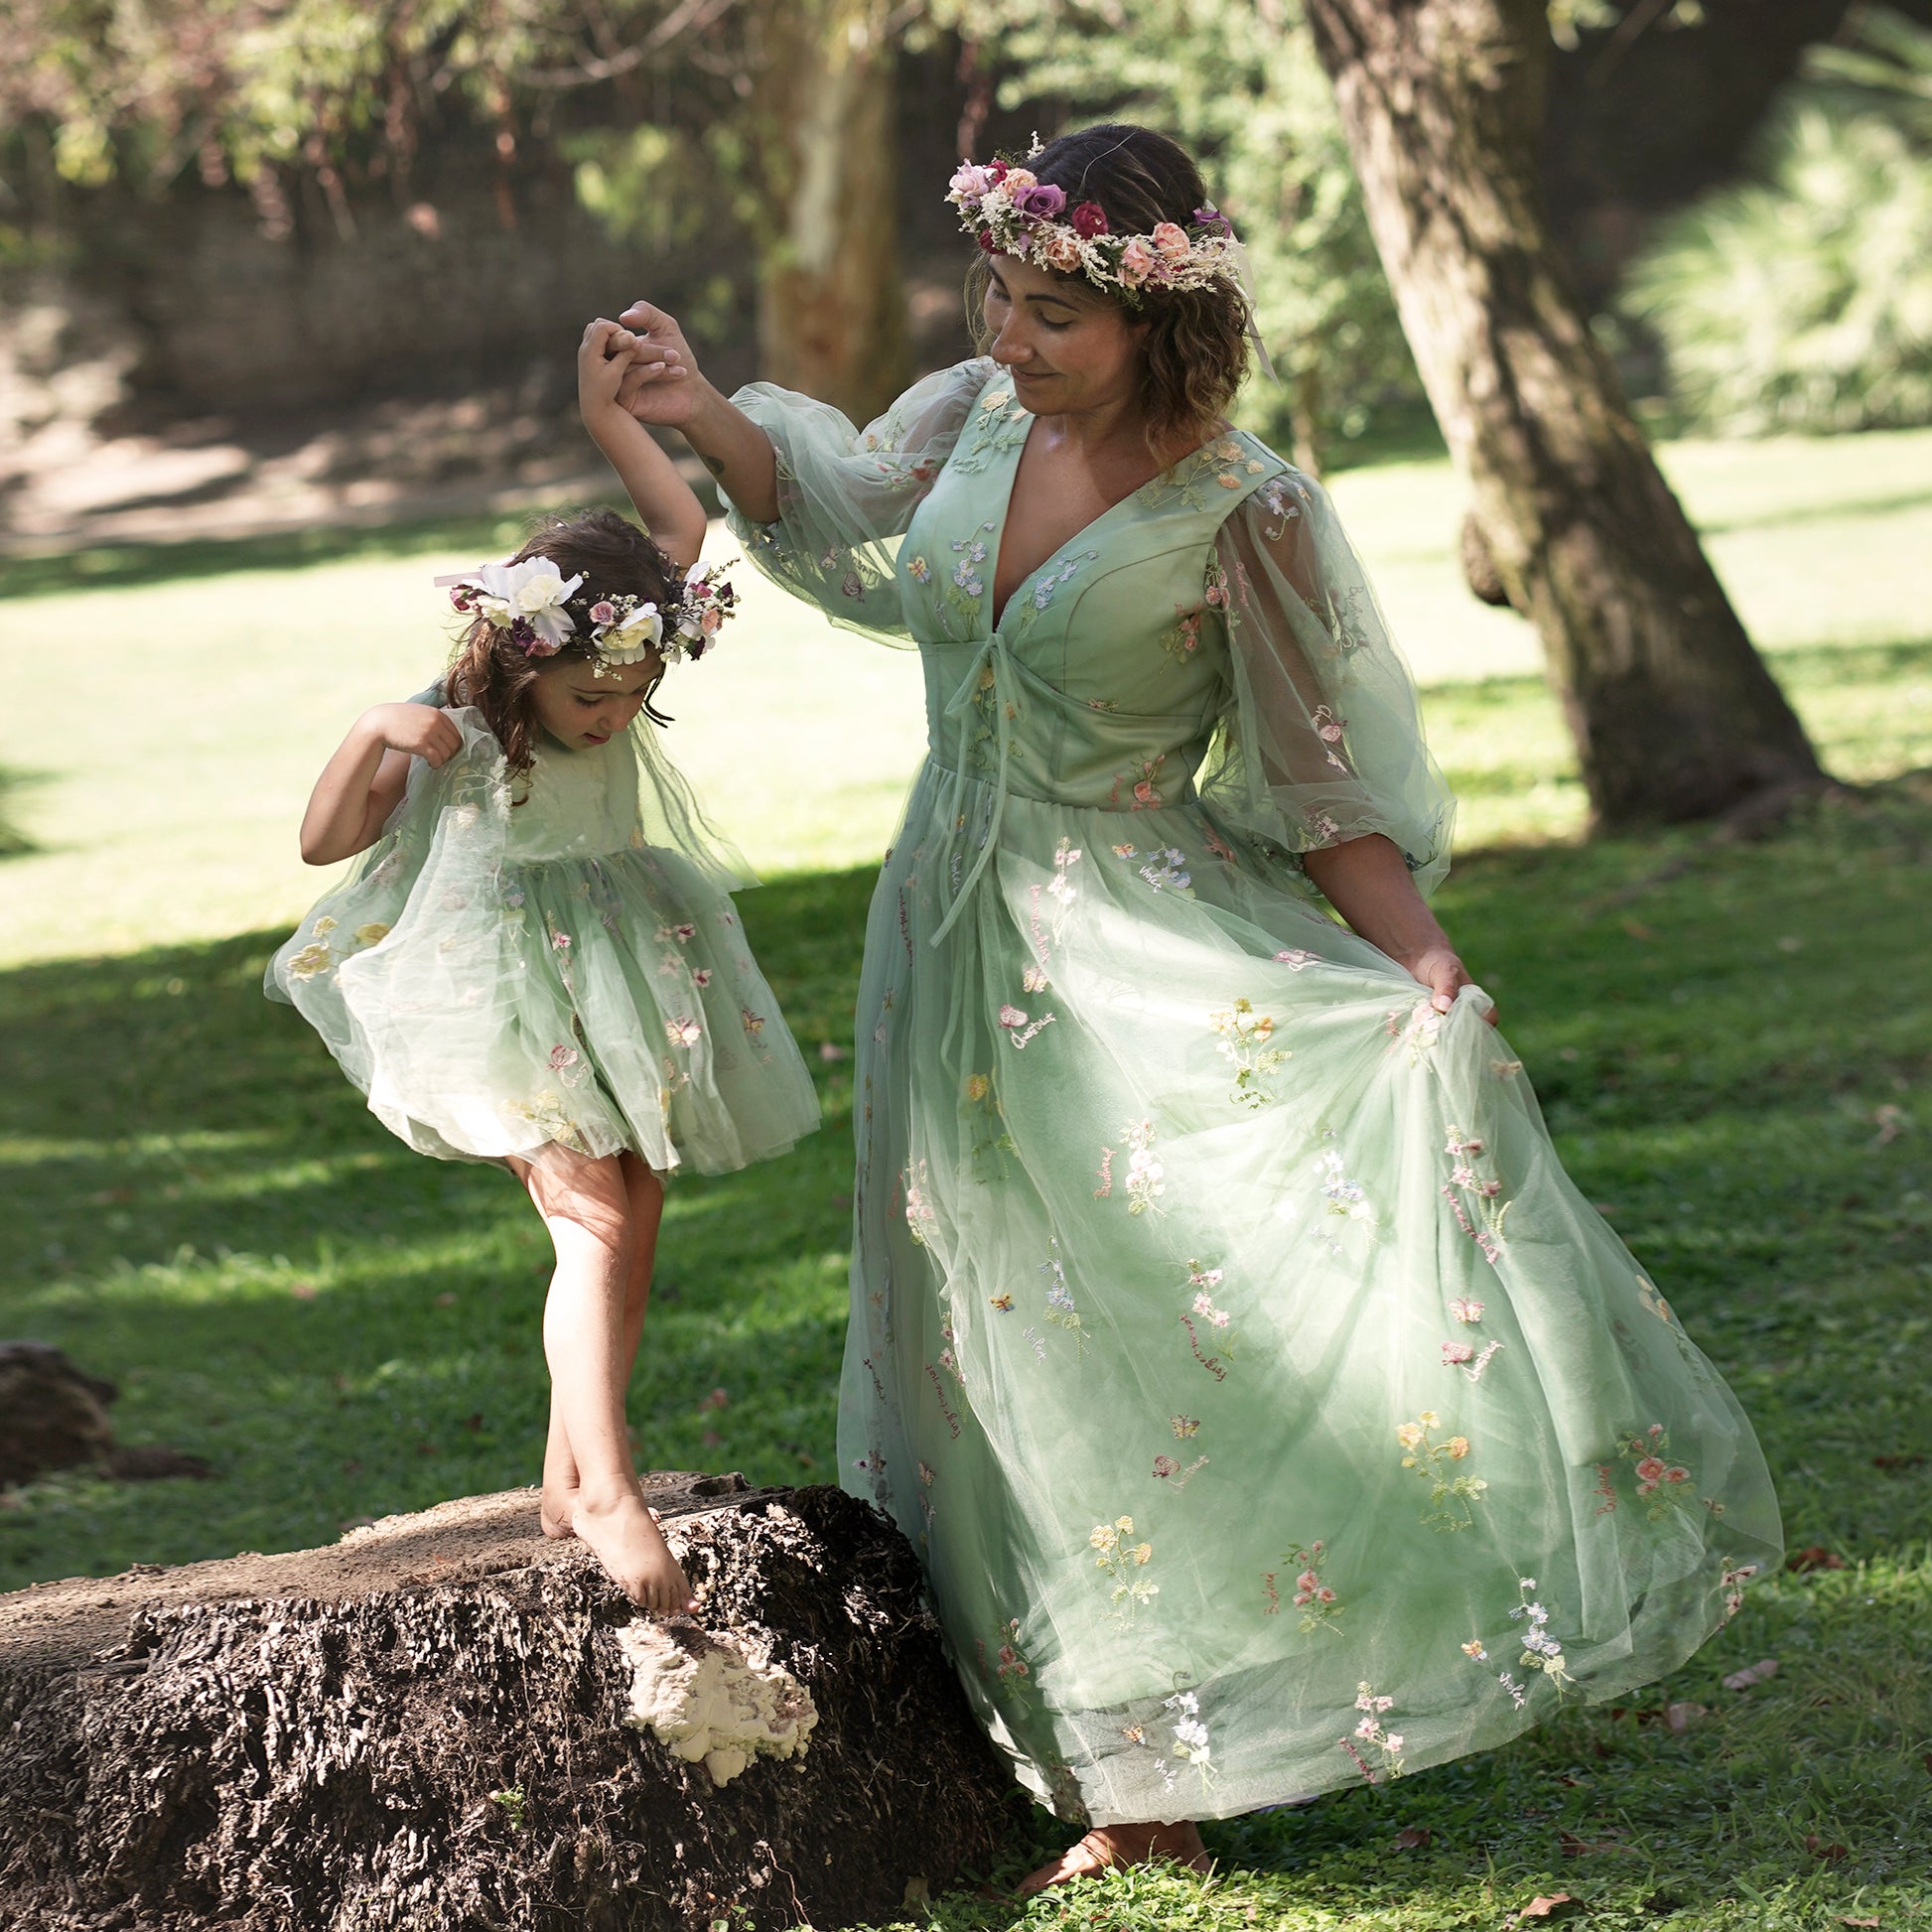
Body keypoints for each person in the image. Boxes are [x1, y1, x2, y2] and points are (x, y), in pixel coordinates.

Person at [600, 124, 1781, 1888]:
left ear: (1165, 320)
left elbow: (1318, 775)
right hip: (945, 935)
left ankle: (1177, 1747)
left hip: (1137, 952)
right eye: (995, 293)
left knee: (1137, 1336)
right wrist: (696, 405)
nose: (1007, 334)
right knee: (983, 1329)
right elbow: (836, 509)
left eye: (1051, 312)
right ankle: (1082, 1726)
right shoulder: (973, 420)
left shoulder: (1248, 510)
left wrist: (1418, 962)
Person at [267, 320, 818, 1611]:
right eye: (590, 705)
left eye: (632, 696)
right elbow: (322, 841)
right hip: (504, 983)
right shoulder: (460, 716)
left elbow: (676, 529)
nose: (613, 716)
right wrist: (368, 734)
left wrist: (611, 422)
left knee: (636, 1207)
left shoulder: (619, 633)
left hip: (617, 956)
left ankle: (571, 1474)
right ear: (525, 660)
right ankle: (612, 1494)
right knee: (591, 1216)